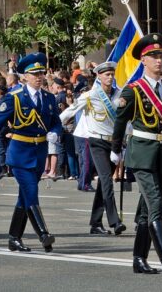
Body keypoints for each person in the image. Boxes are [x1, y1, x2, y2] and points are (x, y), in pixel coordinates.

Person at [111, 33, 162, 276]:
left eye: (160, 55)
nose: (158, 60)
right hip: (141, 153)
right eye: (153, 56)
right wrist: (115, 149)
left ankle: (139, 258)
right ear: (143, 60)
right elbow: (120, 121)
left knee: (145, 210)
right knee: (156, 204)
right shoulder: (133, 91)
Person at [0, 53, 60, 252]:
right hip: (20, 154)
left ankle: (14, 238)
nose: (39, 77)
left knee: (24, 197)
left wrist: (54, 133)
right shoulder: (14, 99)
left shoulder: (48, 98)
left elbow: (55, 122)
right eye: (34, 74)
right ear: (25, 76)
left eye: (41, 73)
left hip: (39, 152)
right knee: (31, 191)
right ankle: (43, 233)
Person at [60, 61, 126, 236]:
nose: (110, 78)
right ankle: (115, 221)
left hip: (115, 143)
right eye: (107, 75)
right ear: (99, 76)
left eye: (112, 74)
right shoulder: (90, 95)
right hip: (97, 141)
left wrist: (126, 139)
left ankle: (95, 223)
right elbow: (71, 110)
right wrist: (52, 126)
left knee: (103, 185)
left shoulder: (119, 94)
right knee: (106, 179)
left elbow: (125, 120)